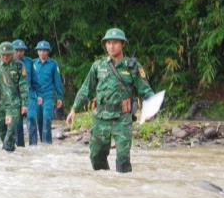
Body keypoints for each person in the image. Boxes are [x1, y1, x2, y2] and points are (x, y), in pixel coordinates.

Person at [66, 28, 155, 173]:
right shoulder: (98, 66)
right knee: (96, 158)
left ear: (122, 45)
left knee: (123, 159)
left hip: (122, 119)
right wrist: (74, 109)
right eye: (108, 43)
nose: (111, 46)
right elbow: (85, 89)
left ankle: (124, 189)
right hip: (101, 118)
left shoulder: (132, 67)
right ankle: (106, 187)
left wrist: (151, 110)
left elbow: (146, 90)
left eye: (115, 43)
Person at [0, 42, 27, 152]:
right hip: (0, 104)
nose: (5, 57)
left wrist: (24, 104)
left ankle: (8, 150)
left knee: (11, 131)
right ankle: (9, 159)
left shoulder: (19, 66)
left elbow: (23, 86)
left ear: (12, 54)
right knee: (2, 132)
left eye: (7, 54)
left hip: (14, 104)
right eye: (3, 55)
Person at [30, 40, 64, 144]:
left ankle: (47, 143)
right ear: (37, 52)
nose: (42, 53)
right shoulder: (33, 63)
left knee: (47, 119)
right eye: (40, 50)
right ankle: (42, 146)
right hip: (36, 97)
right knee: (39, 120)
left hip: (48, 96)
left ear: (48, 52)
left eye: (45, 50)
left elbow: (57, 81)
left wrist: (59, 97)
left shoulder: (53, 64)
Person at [12, 39, 33, 147]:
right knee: (18, 126)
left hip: (28, 96)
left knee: (32, 120)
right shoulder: (7, 63)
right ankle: (19, 150)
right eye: (17, 50)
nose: (19, 53)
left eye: (22, 50)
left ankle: (34, 147)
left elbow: (35, 80)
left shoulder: (29, 62)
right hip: (14, 98)